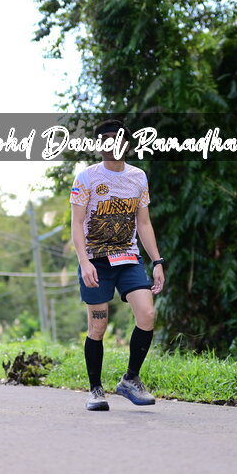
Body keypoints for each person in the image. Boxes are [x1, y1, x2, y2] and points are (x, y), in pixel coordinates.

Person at [70, 119, 165, 411]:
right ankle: (95, 390)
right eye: (107, 139)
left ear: (127, 144)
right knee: (98, 326)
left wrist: (157, 261)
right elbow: (76, 223)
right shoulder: (86, 178)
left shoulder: (138, 177)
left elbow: (144, 223)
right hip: (96, 261)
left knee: (147, 314)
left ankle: (130, 379)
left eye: (118, 138)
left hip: (128, 258)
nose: (113, 143)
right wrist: (84, 261)